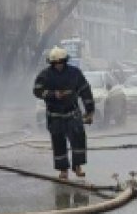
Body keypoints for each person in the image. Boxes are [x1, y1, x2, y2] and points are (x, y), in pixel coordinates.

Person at [32, 47, 95, 180]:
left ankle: (77, 167)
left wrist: (89, 110)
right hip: (55, 115)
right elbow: (37, 90)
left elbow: (85, 91)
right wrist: (53, 94)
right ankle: (63, 170)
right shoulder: (45, 75)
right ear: (52, 63)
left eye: (61, 62)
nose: (59, 65)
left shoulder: (75, 73)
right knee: (58, 142)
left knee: (78, 140)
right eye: (56, 63)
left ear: (65, 61)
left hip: (72, 113)